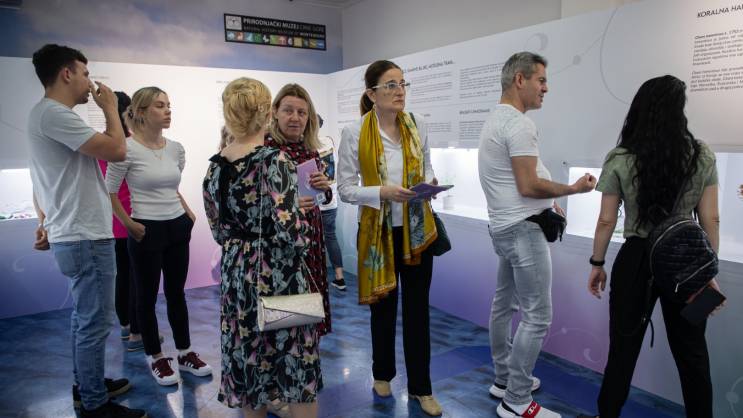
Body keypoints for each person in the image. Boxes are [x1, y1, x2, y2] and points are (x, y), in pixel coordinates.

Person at [581, 75, 721, 418]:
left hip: (636, 260)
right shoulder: (702, 155)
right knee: (693, 354)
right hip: (687, 262)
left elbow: (606, 221)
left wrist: (597, 263)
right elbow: (711, 219)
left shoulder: (620, 157)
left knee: (623, 349)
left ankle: (607, 415)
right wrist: (707, 273)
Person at [27, 44, 145, 418]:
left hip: (76, 232)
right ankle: (95, 403)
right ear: (67, 73)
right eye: (85, 73)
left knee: (84, 318)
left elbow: (42, 179)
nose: (89, 81)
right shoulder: (54, 114)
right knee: (94, 322)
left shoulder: (44, 115)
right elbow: (117, 150)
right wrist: (110, 108)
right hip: (84, 235)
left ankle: (87, 385)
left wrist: (45, 221)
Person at [477, 51, 595, 418]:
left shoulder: (496, 118)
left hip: (505, 228)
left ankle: (505, 379)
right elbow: (528, 185)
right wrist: (572, 189)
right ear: (520, 80)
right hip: (523, 232)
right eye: (541, 80)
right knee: (538, 316)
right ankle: (516, 400)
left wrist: (549, 203)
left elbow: (518, 179)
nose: (546, 88)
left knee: (504, 305)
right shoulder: (519, 124)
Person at [203, 77, 322, 418]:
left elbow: (218, 229)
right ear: (268, 113)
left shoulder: (215, 165)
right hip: (279, 275)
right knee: (298, 366)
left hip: (237, 276)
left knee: (248, 364)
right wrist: (301, 226)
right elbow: (291, 232)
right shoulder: (274, 160)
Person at [337, 59, 442, 416]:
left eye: (402, 84)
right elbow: (345, 189)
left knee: (418, 312)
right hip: (377, 234)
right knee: (383, 309)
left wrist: (429, 183)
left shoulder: (417, 124)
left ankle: (421, 389)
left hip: (416, 231)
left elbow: (427, 164)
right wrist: (382, 192)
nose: (400, 91)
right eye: (391, 85)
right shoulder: (355, 132)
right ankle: (382, 373)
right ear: (372, 94)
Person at [106, 86, 212, 385]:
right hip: (145, 230)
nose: (167, 110)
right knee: (146, 296)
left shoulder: (176, 148)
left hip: (177, 227)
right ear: (141, 112)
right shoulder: (125, 149)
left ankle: (185, 352)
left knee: (177, 293)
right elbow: (110, 191)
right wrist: (129, 224)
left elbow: (171, 187)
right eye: (159, 105)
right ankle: (155, 356)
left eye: (168, 105)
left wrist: (188, 213)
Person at [266, 83, 333, 336]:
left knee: (310, 301)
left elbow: (320, 197)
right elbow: (256, 203)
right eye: (288, 110)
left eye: (302, 112)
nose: (295, 117)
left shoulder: (309, 149)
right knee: (285, 311)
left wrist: (324, 187)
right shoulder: (266, 150)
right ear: (275, 112)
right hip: (283, 240)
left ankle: (308, 346)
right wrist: (288, 205)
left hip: (311, 235)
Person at [97, 91, 143, 350]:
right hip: (134, 219)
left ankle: (126, 326)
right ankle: (137, 332)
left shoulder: (98, 144)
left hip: (112, 222)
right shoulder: (131, 145)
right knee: (137, 279)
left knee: (123, 276)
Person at [316, 115, 346, 290]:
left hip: (312, 202)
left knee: (312, 240)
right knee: (330, 237)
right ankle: (339, 277)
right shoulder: (329, 141)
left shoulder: (305, 146)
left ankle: (316, 277)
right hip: (331, 200)